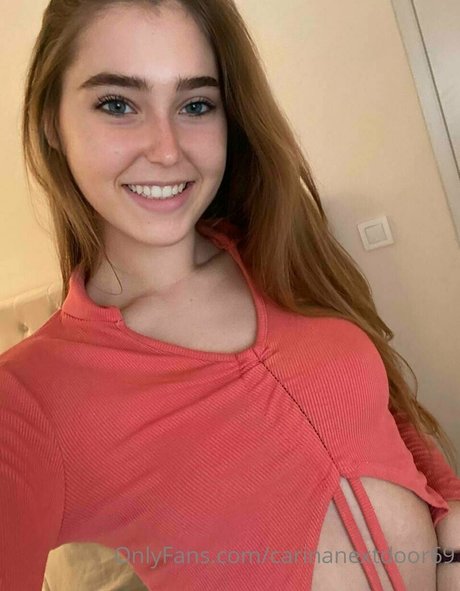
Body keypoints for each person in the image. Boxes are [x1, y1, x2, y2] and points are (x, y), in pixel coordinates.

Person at [1, 0, 460, 589]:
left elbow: (383, 413)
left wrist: (450, 530)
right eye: (117, 104)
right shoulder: (30, 397)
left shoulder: (280, 248)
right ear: (50, 122)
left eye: (196, 105)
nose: (167, 149)